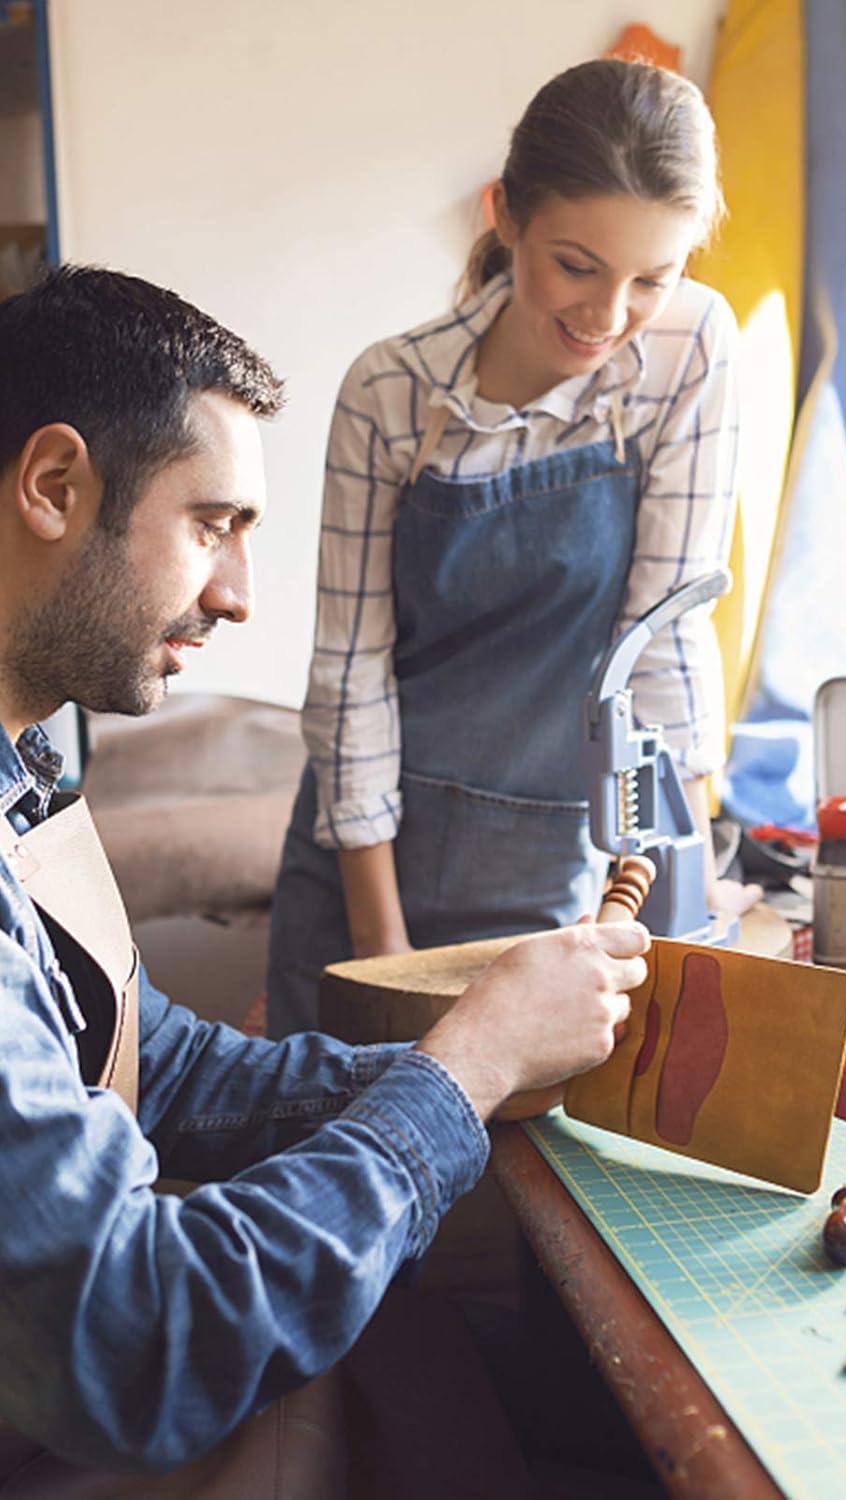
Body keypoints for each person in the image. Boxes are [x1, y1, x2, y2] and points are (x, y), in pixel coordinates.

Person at [0, 264, 649, 1492]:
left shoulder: (22, 766)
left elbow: (153, 1059)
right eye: (211, 525)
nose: (239, 595)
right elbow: (141, 1337)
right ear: (53, 486)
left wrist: (459, 1055)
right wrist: (469, 1075)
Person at [266, 57, 753, 1038]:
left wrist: (689, 894)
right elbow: (351, 670)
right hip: (369, 846)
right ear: (504, 214)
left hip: (548, 857)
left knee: (516, 1174)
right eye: (576, 264)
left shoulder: (690, 351)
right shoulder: (390, 392)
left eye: (652, 278)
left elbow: (661, 637)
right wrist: (385, 957)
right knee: (321, 1157)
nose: (608, 318)